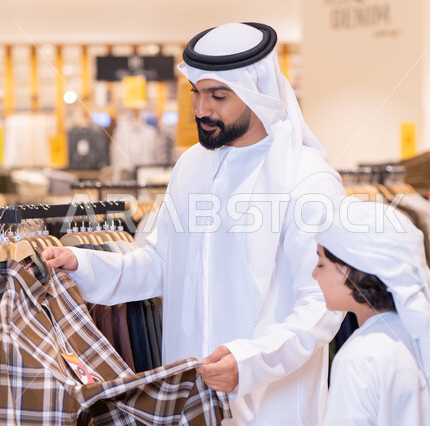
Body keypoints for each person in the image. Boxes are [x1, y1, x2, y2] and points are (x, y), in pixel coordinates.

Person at [43, 22, 345, 424]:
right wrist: (83, 264)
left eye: (218, 96)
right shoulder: (191, 166)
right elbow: (162, 265)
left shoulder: (307, 178)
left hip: (270, 404)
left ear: (258, 95)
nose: (202, 110)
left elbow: (322, 303)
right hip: (188, 402)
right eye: (196, 94)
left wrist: (250, 361)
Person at [312, 198, 430, 425]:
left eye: (321, 264)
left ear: (350, 269)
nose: (314, 274)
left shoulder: (358, 358)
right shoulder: (419, 335)